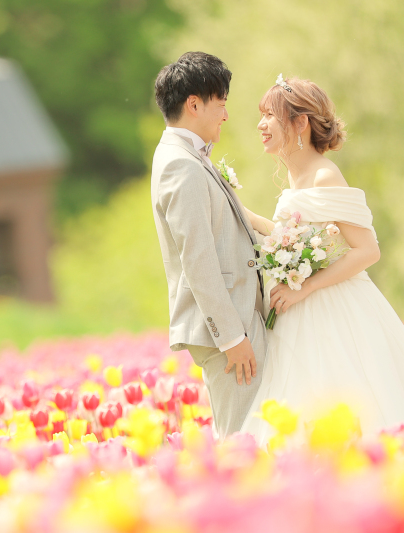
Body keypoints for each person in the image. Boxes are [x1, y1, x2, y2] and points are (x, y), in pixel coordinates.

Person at [240, 74, 404, 445]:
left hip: (331, 307)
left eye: (270, 116)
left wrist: (304, 288)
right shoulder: (297, 176)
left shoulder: (324, 176)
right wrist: (236, 206)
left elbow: (367, 250)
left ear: (300, 122)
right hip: (298, 308)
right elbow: (287, 234)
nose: (261, 125)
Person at [150, 52, 267, 440]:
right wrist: (232, 337)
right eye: (221, 104)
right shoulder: (180, 164)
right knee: (241, 438)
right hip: (228, 329)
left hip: (238, 319)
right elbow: (197, 259)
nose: (226, 115)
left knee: (253, 433)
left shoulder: (188, 157)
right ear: (194, 104)